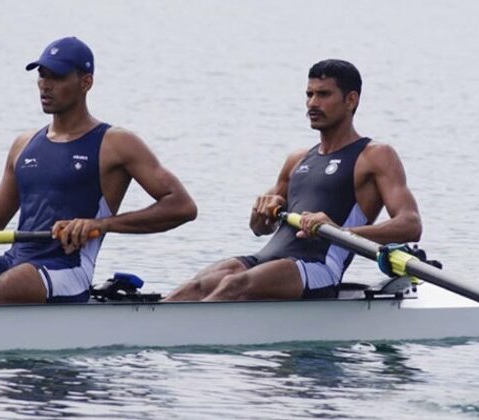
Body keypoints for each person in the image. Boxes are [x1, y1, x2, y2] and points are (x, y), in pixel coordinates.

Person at [165, 59, 421, 302]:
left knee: (234, 285)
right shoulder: (297, 159)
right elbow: (259, 228)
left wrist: (342, 232)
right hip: (266, 258)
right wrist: (262, 211)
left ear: (351, 100)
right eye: (309, 94)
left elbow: (410, 225)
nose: (312, 103)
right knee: (196, 286)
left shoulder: (375, 156)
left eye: (323, 95)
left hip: (317, 268)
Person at [0, 37, 197, 304]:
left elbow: (182, 207)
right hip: (14, 259)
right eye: (42, 75)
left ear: (86, 82)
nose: (45, 85)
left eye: (57, 77)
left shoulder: (116, 143)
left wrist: (101, 224)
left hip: (66, 268)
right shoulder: (23, 145)